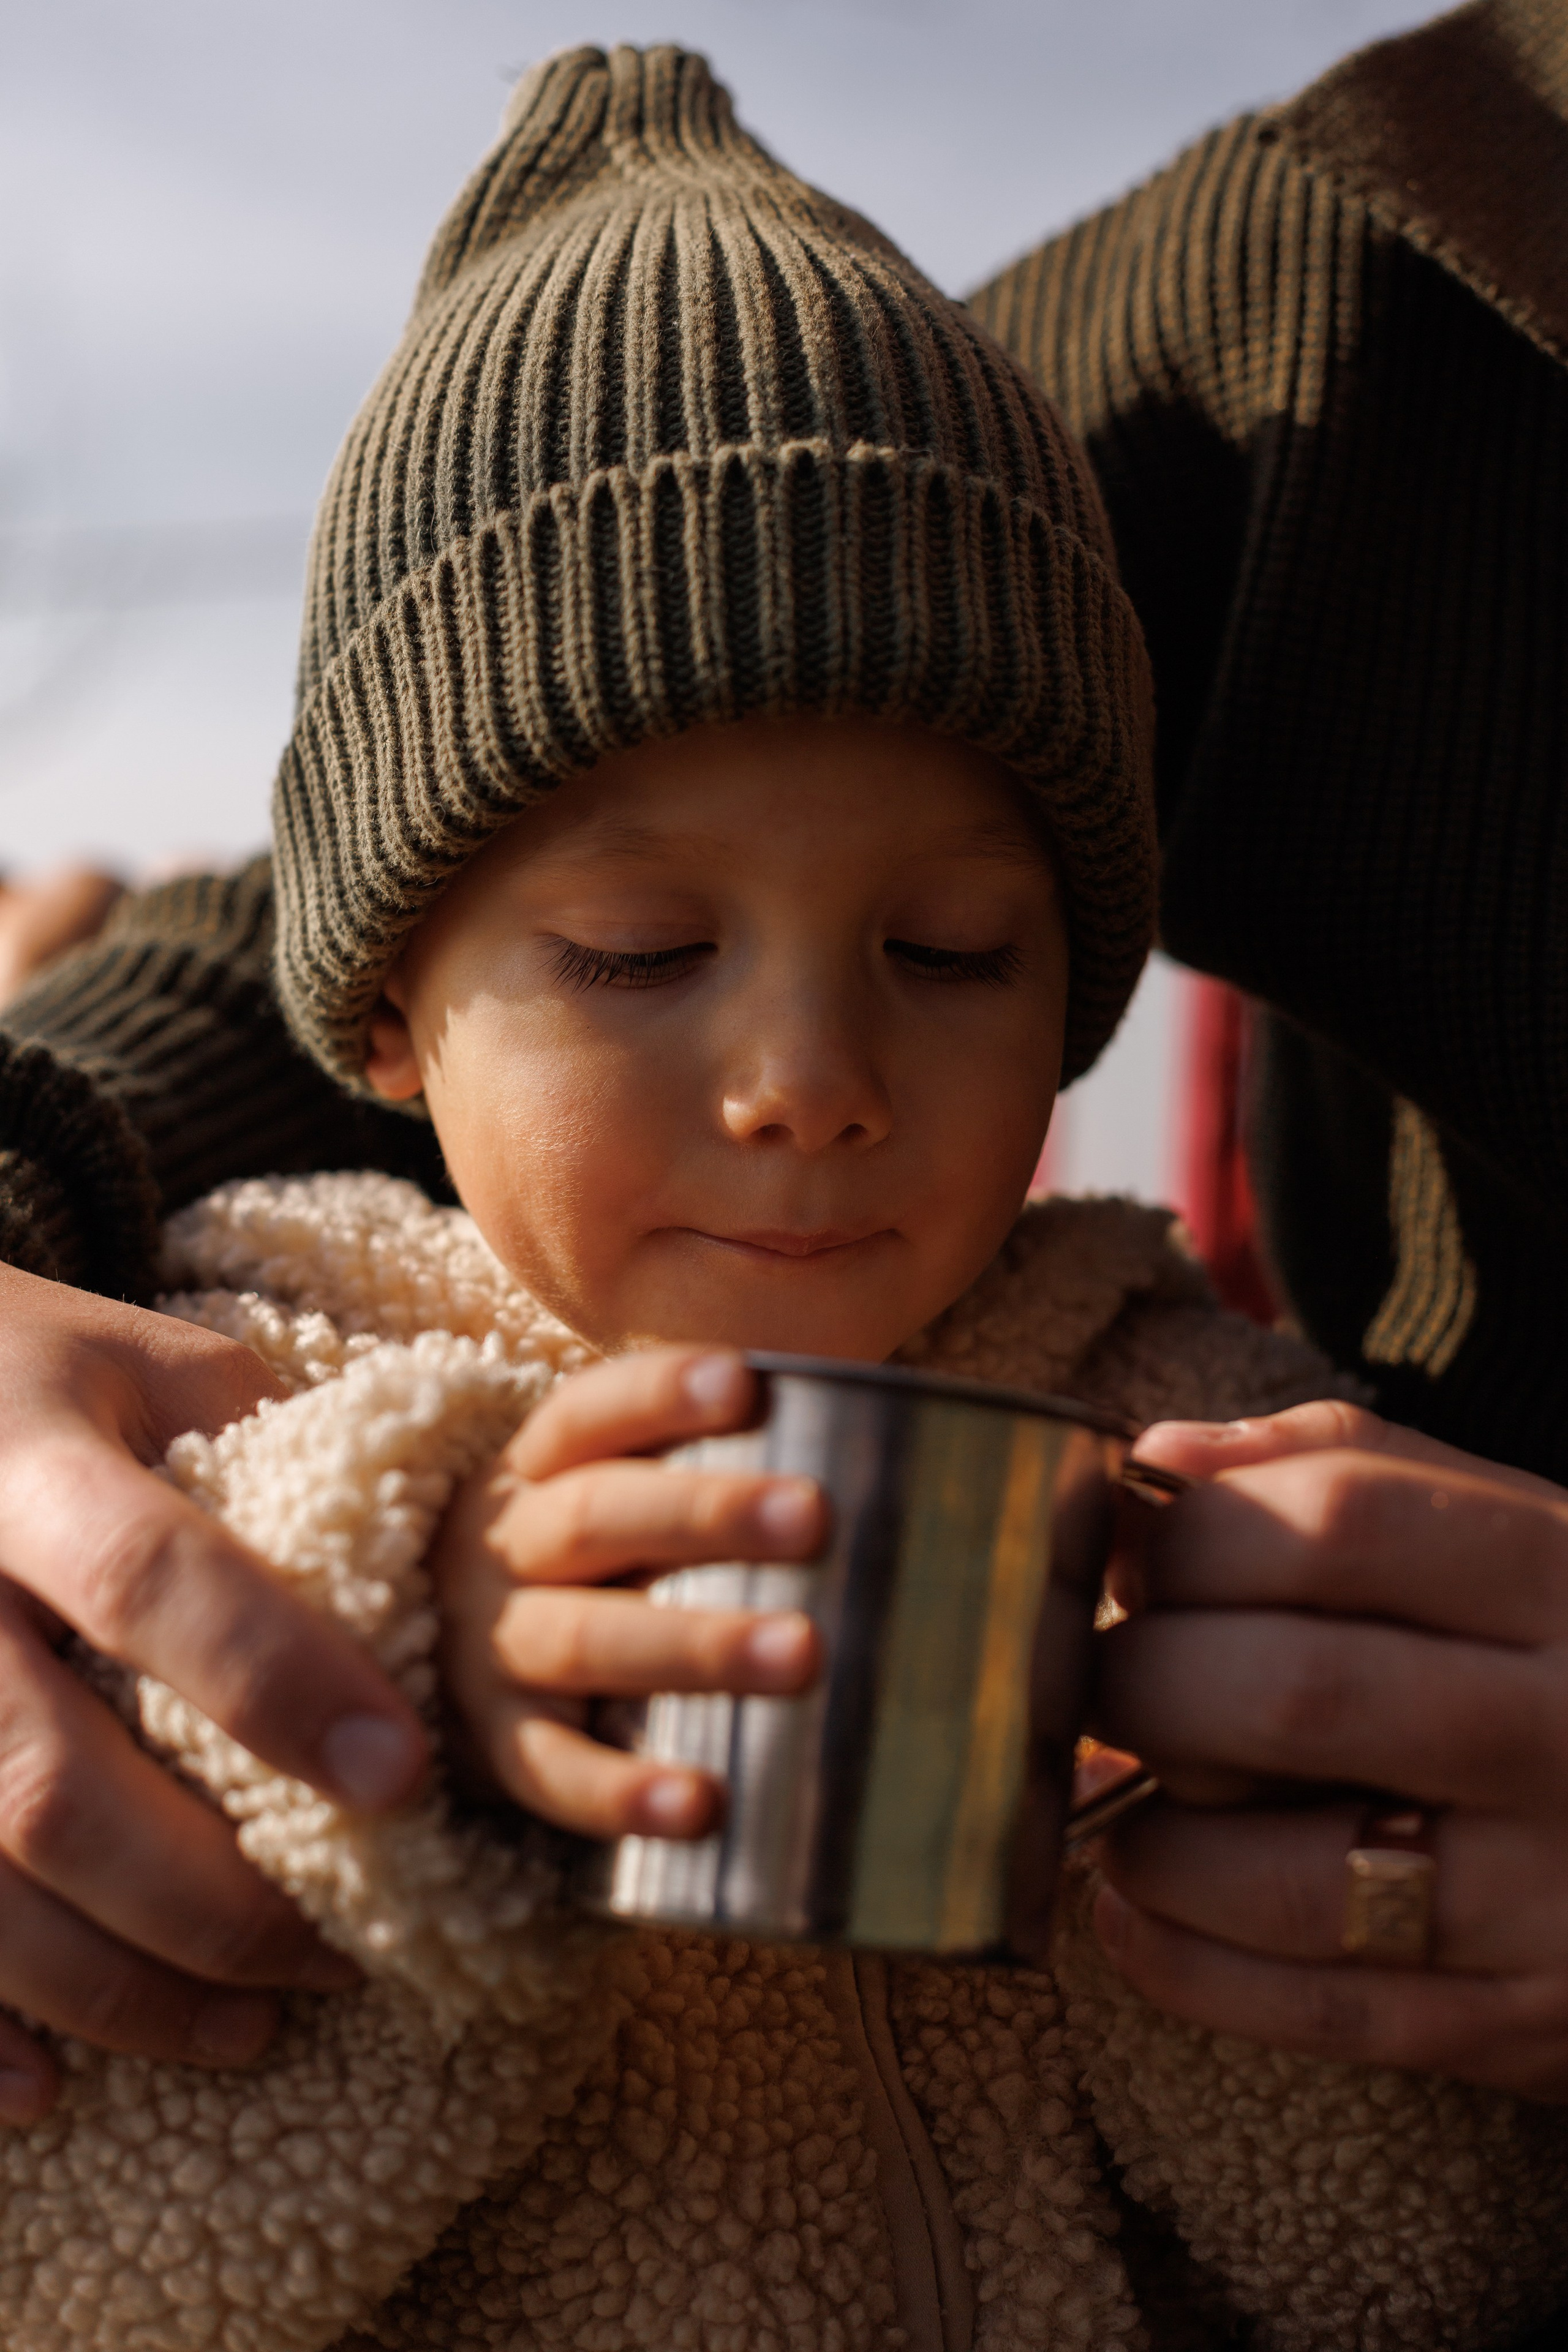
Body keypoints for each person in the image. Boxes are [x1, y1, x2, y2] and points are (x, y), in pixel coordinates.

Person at [7, 50, 1566, 2351]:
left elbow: (1400, 2265)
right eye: (642, 955)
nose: (818, 1084)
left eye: (954, 956)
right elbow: (113, 2244)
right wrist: (418, 1678)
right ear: (382, 1019)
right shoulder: (247, 1371)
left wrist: (1267, 1873)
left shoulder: (1186, 1397)